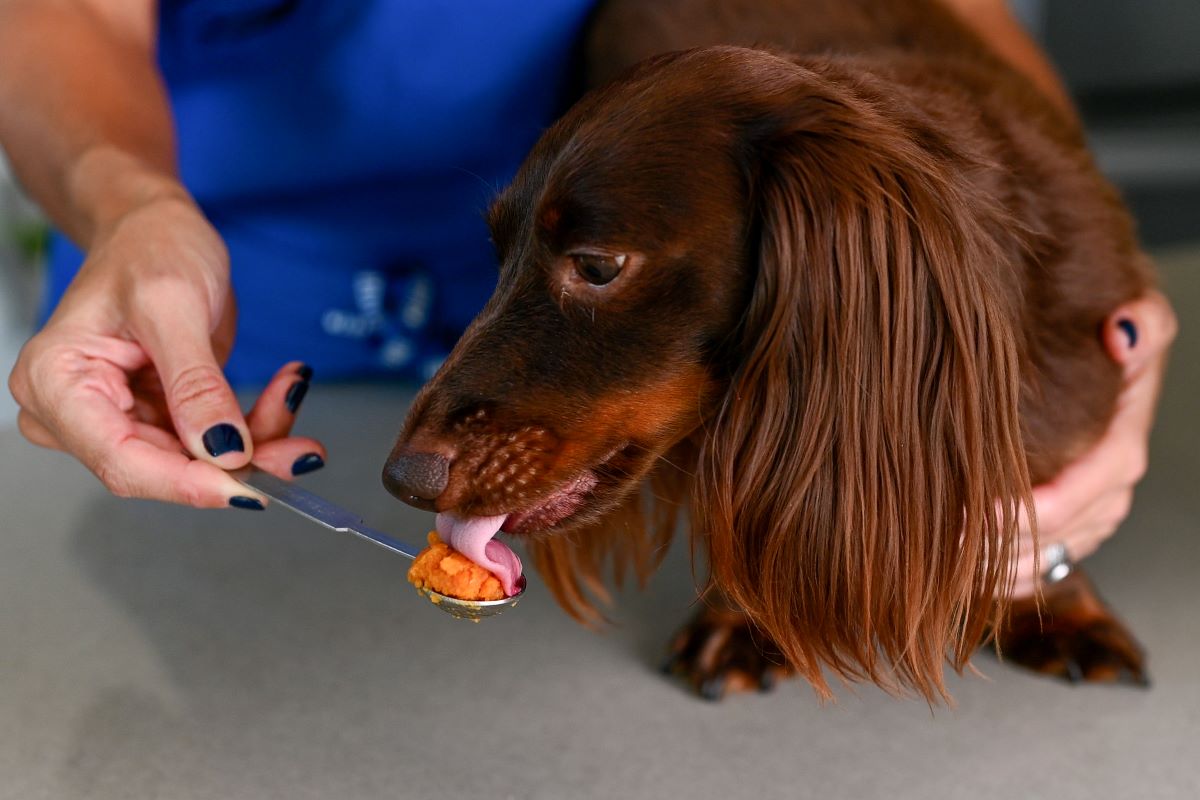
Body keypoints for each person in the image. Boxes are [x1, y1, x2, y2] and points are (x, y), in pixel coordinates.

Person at [0, 0, 1177, 599]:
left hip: (638, 227)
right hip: (203, 293)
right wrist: (127, 207)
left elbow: (939, 12)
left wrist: (1051, 280)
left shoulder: (784, 239)